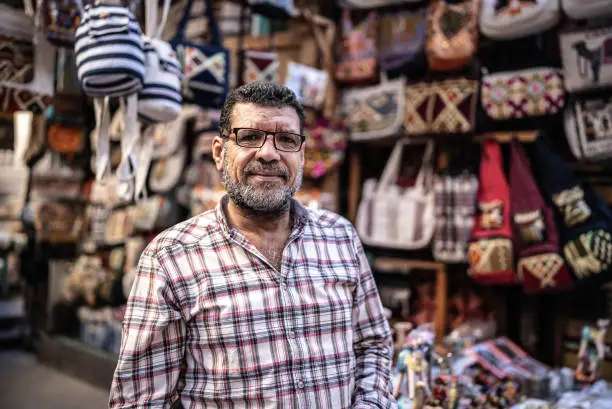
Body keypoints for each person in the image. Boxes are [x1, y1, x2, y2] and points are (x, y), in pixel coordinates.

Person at [109, 81, 397, 409]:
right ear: (219, 152)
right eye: (249, 137)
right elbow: (140, 401)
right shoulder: (170, 258)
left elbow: (373, 346)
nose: (269, 153)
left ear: (301, 156)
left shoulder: (340, 238)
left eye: (286, 140)